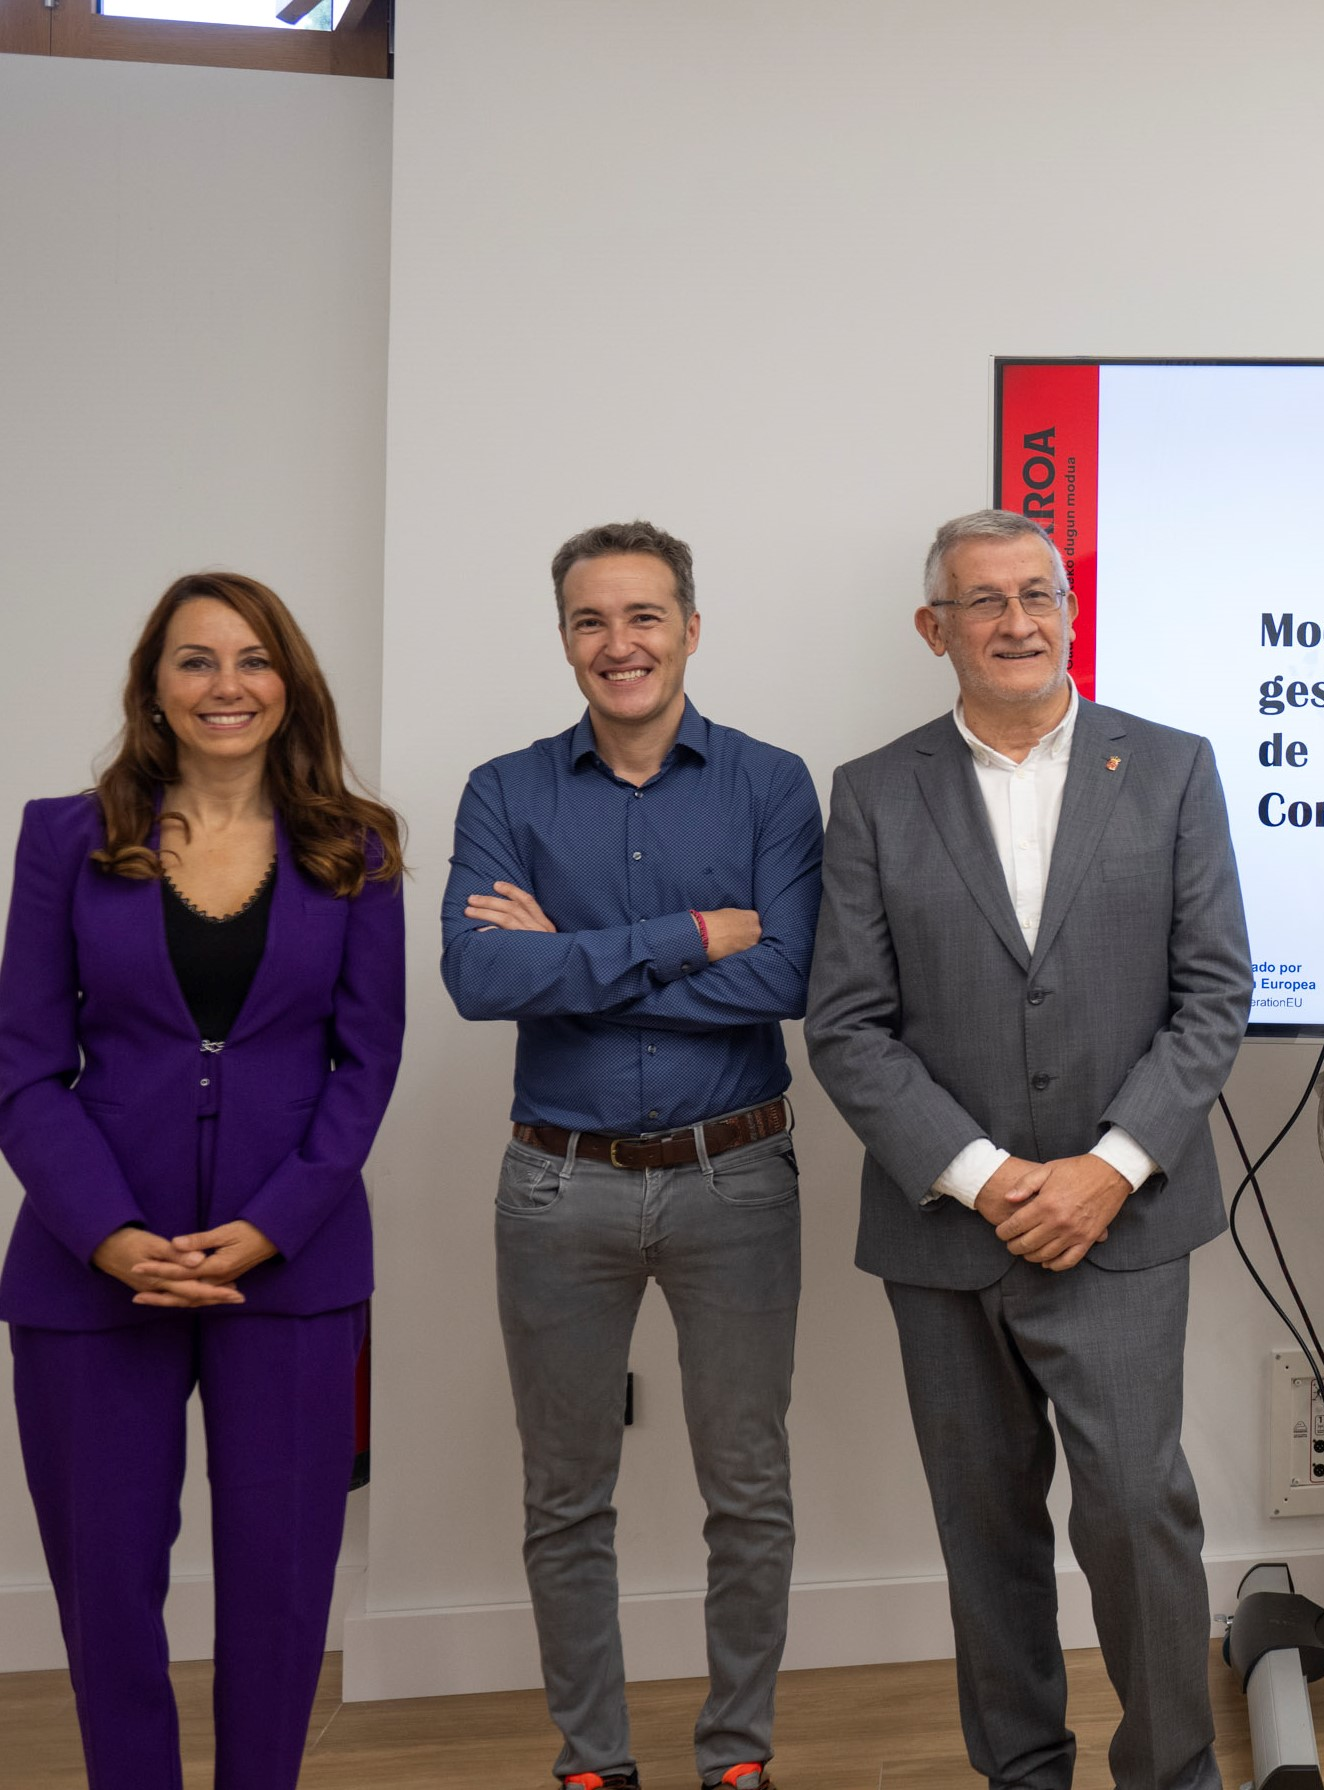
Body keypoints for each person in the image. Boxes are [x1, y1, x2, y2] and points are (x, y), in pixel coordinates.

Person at [805, 510, 1250, 1790]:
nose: (1017, 621)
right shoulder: (875, 791)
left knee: (1134, 1514)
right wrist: (989, 1176)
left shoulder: (1167, 769)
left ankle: (1172, 1775)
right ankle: (1022, 1773)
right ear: (932, 627)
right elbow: (847, 1023)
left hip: (1122, 1224)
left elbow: (1211, 995)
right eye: (984, 600)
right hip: (949, 1230)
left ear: (1069, 606)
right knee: (984, 1531)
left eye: (1038, 593)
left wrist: (1109, 1166)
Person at [0, 573, 403, 1789]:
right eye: (195, 660)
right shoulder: (63, 837)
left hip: (294, 1266)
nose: (226, 684)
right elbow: (24, 1062)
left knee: (282, 1583)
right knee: (107, 1579)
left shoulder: (356, 845)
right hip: (89, 1274)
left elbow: (366, 1061)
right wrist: (108, 1231)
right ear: (155, 689)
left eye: (252, 659)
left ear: (289, 685)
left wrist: (272, 1224)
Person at [440, 521, 820, 1790]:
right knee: (565, 1496)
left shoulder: (770, 783)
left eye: (644, 616)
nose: (620, 644)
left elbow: (792, 972)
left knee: (748, 1490)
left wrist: (577, 955)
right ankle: (591, 1760)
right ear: (564, 640)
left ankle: (737, 1756)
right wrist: (683, 935)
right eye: (592, 622)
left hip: (737, 1177)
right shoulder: (505, 790)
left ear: (691, 629)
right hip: (558, 1184)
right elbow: (479, 976)